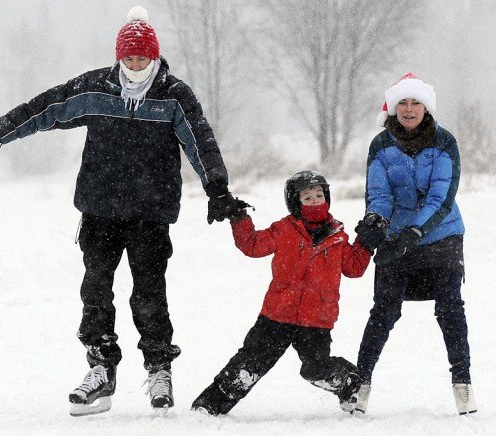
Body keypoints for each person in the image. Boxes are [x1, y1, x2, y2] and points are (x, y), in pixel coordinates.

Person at [0, 6, 242, 417]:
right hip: (101, 209)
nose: (135, 65)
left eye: (142, 58)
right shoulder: (97, 88)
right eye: (129, 58)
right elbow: (46, 108)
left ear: (155, 56)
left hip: (151, 213)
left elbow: (200, 141)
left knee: (149, 295)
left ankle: (159, 369)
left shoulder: (173, 95)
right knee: (95, 291)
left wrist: (217, 189)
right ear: (119, 57)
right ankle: (100, 369)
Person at [191, 170, 373, 416]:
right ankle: (210, 405)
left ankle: (350, 383)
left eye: (319, 195)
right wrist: (238, 216)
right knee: (249, 364)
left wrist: (366, 242)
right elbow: (252, 245)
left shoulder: (338, 236)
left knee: (316, 370)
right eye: (307, 197)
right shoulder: (284, 230)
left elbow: (354, 268)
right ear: (294, 202)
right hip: (277, 315)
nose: (315, 201)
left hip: (317, 319)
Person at [353, 73, 477, 415]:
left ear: (426, 107)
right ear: (393, 108)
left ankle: (463, 384)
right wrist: (375, 223)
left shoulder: (444, 142)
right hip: (396, 238)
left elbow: (442, 197)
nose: (409, 109)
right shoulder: (381, 145)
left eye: (415, 102)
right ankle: (359, 385)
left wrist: (415, 232)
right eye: (402, 103)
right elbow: (379, 193)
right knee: (384, 310)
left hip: (441, 235)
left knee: (450, 308)